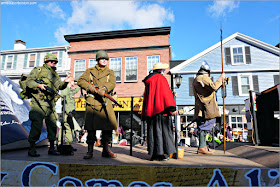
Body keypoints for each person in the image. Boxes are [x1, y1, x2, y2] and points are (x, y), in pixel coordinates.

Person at [26, 54, 72, 157]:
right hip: (38, 102)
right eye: (51, 61)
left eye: (55, 62)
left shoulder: (55, 74)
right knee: (36, 125)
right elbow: (29, 81)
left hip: (50, 104)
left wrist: (65, 82)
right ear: (46, 61)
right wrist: (39, 85)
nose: (53, 63)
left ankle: (52, 148)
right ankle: (31, 148)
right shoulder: (38, 70)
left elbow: (60, 86)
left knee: (52, 126)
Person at [77, 50, 117, 159]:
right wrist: (92, 88)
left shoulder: (110, 72)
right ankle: (90, 151)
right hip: (93, 102)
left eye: (106, 59)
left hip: (105, 102)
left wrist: (104, 88)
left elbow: (113, 83)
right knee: (91, 128)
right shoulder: (90, 71)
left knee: (107, 127)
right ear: (98, 60)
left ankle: (106, 150)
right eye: (102, 59)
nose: (104, 61)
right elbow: (80, 81)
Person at [141, 62, 178, 161]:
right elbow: (164, 94)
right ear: (160, 69)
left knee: (153, 132)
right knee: (163, 132)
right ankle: (162, 154)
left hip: (152, 111)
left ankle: (154, 154)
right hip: (161, 110)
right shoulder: (161, 78)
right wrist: (172, 108)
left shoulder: (149, 80)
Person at [192, 61, 225, 155]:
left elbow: (210, 90)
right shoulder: (202, 77)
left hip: (204, 105)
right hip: (206, 106)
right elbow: (213, 87)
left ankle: (204, 146)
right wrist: (221, 78)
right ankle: (202, 147)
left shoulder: (198, 78)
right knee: (205, 126)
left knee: (205, 126)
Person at [58, 79, 80, 150]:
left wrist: (80, 85)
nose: (74, 82)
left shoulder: (69, 90)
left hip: (69, 112)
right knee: (68, 127)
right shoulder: (65, 89)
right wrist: (68, 112)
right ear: (69, 82)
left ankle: (62, 143)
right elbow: (64, 101)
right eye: (73, 81)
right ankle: (67, 144)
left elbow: (75, 91)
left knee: (64, 127)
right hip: (67, 113)